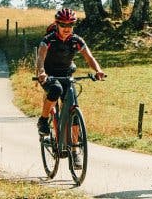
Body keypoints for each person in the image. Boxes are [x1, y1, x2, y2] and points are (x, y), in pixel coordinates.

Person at [35, 8, 105, 138]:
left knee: (73, 106)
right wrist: (41, 72)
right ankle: (43, 120)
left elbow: (89, 58)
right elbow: (40, 58)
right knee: (56, 89)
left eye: (70, 25)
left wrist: (98, 70)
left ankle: (75, 150)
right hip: (49, 75)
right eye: (63, 25)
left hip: (67, 74)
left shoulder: (76, 40)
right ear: (57, 24)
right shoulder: (48, 40)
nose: (67, 28)